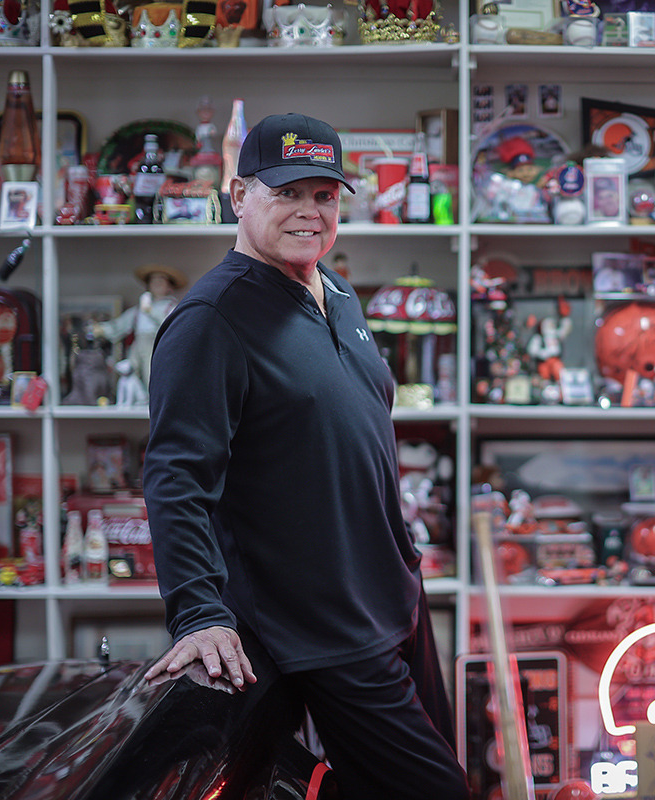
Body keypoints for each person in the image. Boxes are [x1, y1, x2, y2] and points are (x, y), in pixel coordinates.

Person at [141, 112, 469, 800]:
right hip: (319, 623)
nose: (309, 212)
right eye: (286, 193)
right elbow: (176, 476)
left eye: (324, 195)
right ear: (239, 196)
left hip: (391, 602)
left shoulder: (337, 292)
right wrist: (198, 612)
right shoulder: (211, 319)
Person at [93, 265, 185, 393]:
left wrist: (151, 311)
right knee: (131, 373)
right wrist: (102, 329)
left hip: (156, 345)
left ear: (169, 286)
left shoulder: (171, 307)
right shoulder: (139, 309)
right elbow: (120, 325)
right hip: (138, 345)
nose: (156, 284)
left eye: (161, 281)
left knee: (152, 374)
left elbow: (173, 327)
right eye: (153, 281)